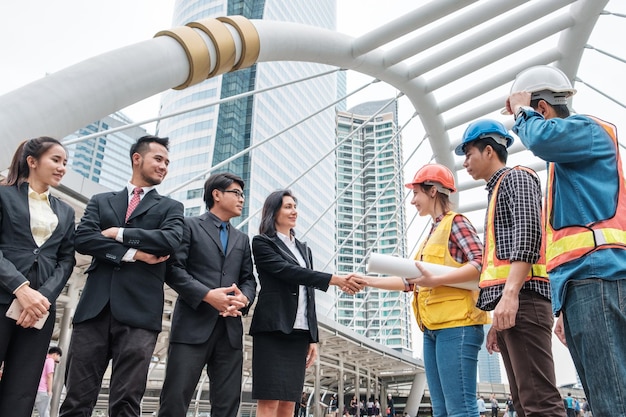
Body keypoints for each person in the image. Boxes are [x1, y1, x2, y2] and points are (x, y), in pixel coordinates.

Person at [506, 64, 626, 417]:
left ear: (541, 109)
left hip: (597, 276)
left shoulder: (586, 130)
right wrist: (563, 305)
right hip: (587, 283)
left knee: (612, 400)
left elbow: (541, 138)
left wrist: (521, 111)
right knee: (608, 393)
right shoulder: (570, 159)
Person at [59, 135, 184, 417]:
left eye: (167, 162)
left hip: (140, 314)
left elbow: (169, 241)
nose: (164, 166)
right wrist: (135, 254)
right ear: (137, 158)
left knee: (127, 401)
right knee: (76, 398)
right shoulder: (102, 201)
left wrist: (119, 233)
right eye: (158, 159)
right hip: (94, 309)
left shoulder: (171, 208)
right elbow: (84, 240)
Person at [358, 165, 488, 416]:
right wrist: (368, 281)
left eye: (416, 193)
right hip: (432, 330)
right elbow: (411, 282)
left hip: (457, 326)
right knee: (441, 409)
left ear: (433, 191)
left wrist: (438, 281)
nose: (413, 201)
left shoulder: (456, 223)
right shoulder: (432, 233)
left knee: (460, 409)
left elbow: (481, 263)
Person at [456, 119, 565, 417]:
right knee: (523, 402)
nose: (465, 163)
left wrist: (512, 294)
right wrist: (497, 321)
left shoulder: (516, 178)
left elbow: (529, 233)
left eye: (468, 154)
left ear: (489, 150)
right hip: (515, 305)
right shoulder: (496, 191)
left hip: (524, 301)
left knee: (539, 403)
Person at [249, 190, 362, 417]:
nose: (294, 211)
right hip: (272, 330)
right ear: (274, 212)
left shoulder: (304, 249)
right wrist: (335, 279)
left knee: (290, 402)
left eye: (295, 206)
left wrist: (313, 337)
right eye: (288, 206)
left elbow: (308, 294)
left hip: (299, 334)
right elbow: (288, 272)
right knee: (270, 400)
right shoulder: (262, 243)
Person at [158, 173, 257, 417]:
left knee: (227, 405)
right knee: (175, 400)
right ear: (216, 194)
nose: (242, 199)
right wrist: (207, 295)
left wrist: (244, 299)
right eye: (236, 193)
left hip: (230, 331)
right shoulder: (189, 225)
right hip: (192, 326)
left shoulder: (242, 239)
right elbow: (173, 269)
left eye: (242, 194)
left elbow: (249, 279)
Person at [0, 137, 76, 417]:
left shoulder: (66, 211)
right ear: (32, 162)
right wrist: (21, 288)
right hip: (3, 295)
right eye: (55, 160)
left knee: (23, 386)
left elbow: (66, 259)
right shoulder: (3, 194)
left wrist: (43, 297)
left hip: (40, 310)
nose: (62, 168)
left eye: (65, 163)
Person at [35, 346, 63, 417]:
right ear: (55, 354)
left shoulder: (44, 360)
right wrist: (49, 391)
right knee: (45, 413)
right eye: (59, 356)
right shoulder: (50, 361)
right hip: (43, 390)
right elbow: (49, 376)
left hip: (37, 388)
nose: (58, 358)